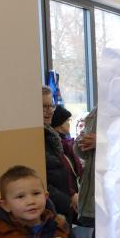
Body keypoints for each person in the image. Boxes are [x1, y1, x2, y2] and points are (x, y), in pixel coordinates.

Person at [42, 87, 79, 225]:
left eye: (51, 105)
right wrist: (67, 200)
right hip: (53, 207)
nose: (50, 110)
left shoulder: (52, 137)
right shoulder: (38, 139)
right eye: (44, 106)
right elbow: (44, 180)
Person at [74, 108, 99, 238]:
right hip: (97, 192)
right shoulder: (97, 110)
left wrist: (103, 142)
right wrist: (81, 142)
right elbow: (84, 153)